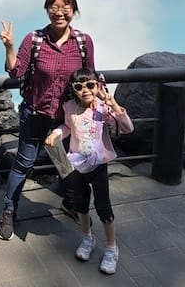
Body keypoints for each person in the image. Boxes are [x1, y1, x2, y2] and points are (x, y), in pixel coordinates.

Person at [0, 0, 95, 241]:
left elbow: (90, 78)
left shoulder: (83, 42)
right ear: (47, 9)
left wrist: (103, 103)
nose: (59, 12)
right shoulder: (35, 40)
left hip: (65, 118)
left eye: (66, 7)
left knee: (66, 163)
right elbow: (16, 72)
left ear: (74, 10)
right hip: (35, 113)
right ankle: (8, 209)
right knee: (23, 164)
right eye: (54, 7)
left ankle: (70, 203)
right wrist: (9, 46)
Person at [44, 68, 133, 275]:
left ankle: (111, 248)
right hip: (76, 164)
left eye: (90, 85)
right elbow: (67, 127)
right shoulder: (69, 107)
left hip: (99, 164)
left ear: (98, 86)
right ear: (73, 90)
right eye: (79, 86)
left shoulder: (102, 109)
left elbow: (128, 128)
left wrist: (112, 103)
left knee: (103, 206)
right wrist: (57, 133)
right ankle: (87, 238)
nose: (85, 90)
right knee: (81, 204)